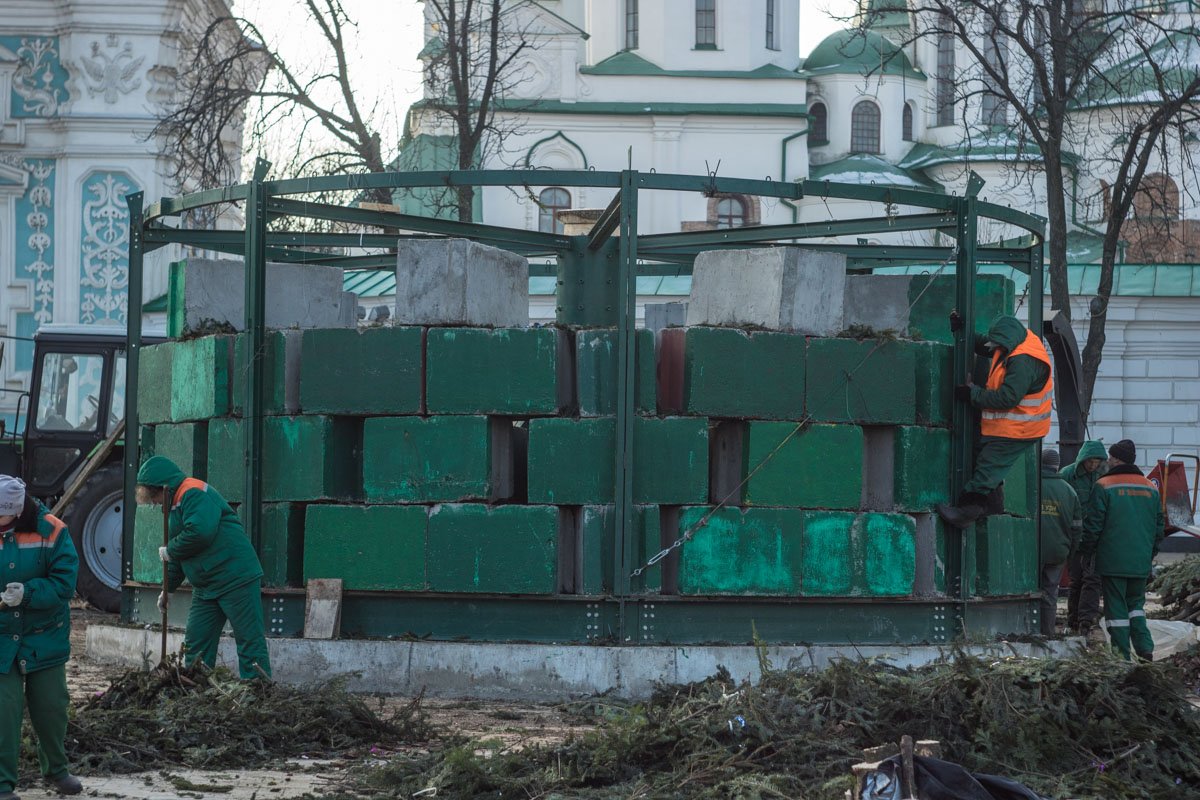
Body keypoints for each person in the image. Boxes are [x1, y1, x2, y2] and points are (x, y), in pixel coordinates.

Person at [135, 456, 271, 679]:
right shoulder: (175, 506)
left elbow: (200, 533)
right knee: (196, 643)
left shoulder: (193, 493)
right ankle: (197, 687)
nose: (155, 504)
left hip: (234, 578)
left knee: (249, 640)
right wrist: (167, 590)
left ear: (163, 488)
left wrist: (171, 549)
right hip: (207, 586)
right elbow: (179, 555)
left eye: (154, 498)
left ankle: (259, 689)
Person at [0, 475, 83, 800]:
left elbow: (64, 584)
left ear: (17, 511)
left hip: (43, 635)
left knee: (51, 707)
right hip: (2, 638)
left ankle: (57, 770)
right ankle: (2, 784)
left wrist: (28, 593)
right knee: (4, 709)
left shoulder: (53, 531)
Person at [937, 314, 1054, 528]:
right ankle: (993, 504)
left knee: (989, 462)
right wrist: (963, 333)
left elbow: (1007, 398)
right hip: (1015, 424)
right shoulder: (1016, 342)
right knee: (987, 458)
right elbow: (988, 347)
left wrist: (973, 394)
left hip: (1022, 426)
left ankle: (968, 510)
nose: (995, 347)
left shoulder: (1023, 361)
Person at [1078, 439, 1164, 661]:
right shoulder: (1150, 487)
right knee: (1136, 607)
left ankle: (1121, 656)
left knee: (1116, 610)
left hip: (1112, 561)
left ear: (1117, 459)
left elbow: (1093, 526)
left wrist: (1086, 551)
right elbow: (1159, 527)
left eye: (1110, 457)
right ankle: (1145, 648)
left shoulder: (1103, 485)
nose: (1107, 461)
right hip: (1140, 561)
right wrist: (1149, 554)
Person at [1060, 440, 1108, 634]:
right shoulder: (1067, 475)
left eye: (1097, 462)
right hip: (1075, 537)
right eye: (1090, 461)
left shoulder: (1102, 476)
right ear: (1083, 459)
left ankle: (1085, 622)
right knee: (1076, 580)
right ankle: (1073, 621)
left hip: (1095, 536)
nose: (1093, 465)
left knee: (1092, 579)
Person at [1038, 449, 1081, 636]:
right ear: (1057, 467)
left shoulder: (1032, 485)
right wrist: (1070, 553)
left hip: (1032, 551)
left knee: (1029, 591)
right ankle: (1047, 633)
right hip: (1058, 551)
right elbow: (1077, 528)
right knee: (1050, 593)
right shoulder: (1069, 491)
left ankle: (1028, 630)